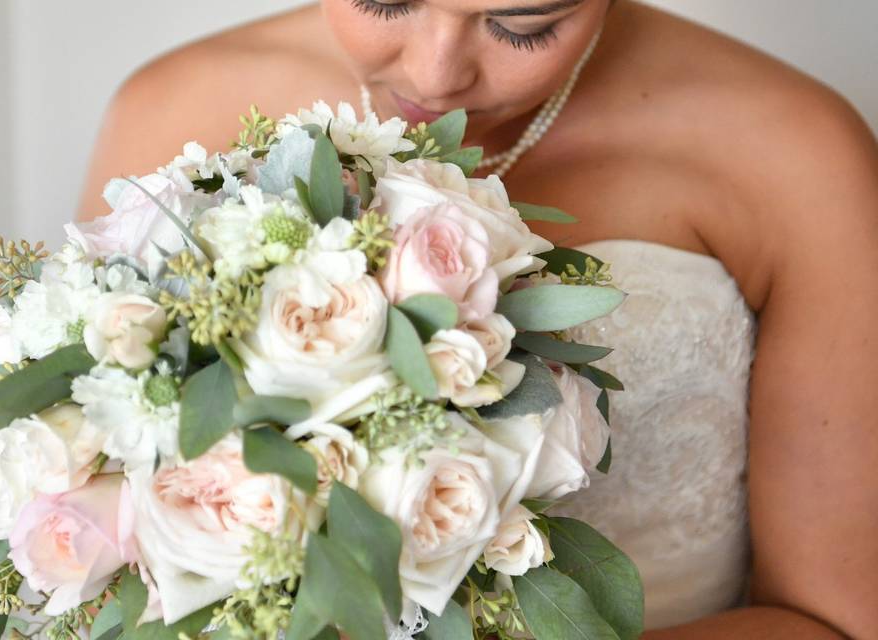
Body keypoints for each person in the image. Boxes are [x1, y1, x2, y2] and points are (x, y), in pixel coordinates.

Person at [76, 1, 878, 637]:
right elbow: (91, 539)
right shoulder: (173, 109)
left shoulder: (792, 149)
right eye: (384, 0)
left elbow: (836, 620)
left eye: (521, 24)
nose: (437, 71)